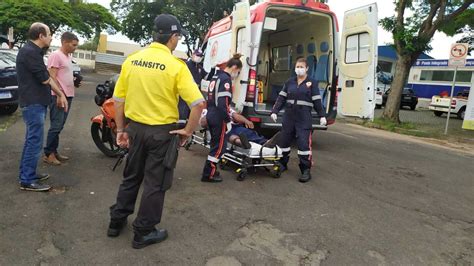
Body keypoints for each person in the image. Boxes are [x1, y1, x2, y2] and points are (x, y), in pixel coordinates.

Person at [108, 14, 205, 249]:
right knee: (155, 183)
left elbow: (118, 99)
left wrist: (121, 129)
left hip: (135, 129)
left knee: (131, 177)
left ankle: (116, 221)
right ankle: (143, 231)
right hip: (162, 134)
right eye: (178, 37)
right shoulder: (176, 66)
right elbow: (198, 104)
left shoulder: (132, 61)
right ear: (173, 37)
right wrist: (188, 131)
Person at [16, 22, 68, 192]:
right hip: (33, 102)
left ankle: (27, 173)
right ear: (41, 36)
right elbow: (45, 79)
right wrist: (60, 94)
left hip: (35, 102)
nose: (51, 37)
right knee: (34, 141)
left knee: (32, 140)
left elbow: (45, 76)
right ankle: (27, 180)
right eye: (49, 34)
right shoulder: (30, 52)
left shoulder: (33, 52)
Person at [270, 57, 327, 183]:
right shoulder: (290, 82)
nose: (299, 69)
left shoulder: (312, 83)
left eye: (301, 67)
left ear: (307, 68)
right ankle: (282, 164)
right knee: (284, 141)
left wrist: (322, 115)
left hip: (303, 118)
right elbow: (281, 98)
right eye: (297, 66)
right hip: (289, 116)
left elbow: (317, 100)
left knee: (303, 144)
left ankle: (305, 170)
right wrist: (274, 111)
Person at [201, 54, 242, 183]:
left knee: (215, 144)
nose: (237, 75)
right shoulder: (225, 79)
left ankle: (211, 171)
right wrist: (228, 120)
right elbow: (222, 103)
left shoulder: (215, 77)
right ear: (234, 67)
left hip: (211, 114)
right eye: (238, 72)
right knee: (219, 147)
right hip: (219, 117)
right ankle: (209, 173)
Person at [43, 32, 80, 165]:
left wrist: (74, 81)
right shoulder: (56, 56)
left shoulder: (68, 56)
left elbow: (63, 75)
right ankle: (49, 154)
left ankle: (54, 151)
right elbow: (52, 76)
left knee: (60, 125)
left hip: (68, 95)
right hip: (58, 96)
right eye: (73, 45)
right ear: (65, 42)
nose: (75, 47)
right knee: (56, 125)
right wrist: (59, 95)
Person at [178, 49, 207, 125]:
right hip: (185, 92)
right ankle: (178, 132)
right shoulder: (186, 65)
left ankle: (188, 131)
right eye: (197, 55)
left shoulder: (200, 68)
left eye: (200, 56)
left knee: (191, 116)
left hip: (195, 94)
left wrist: (214, 69)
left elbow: (207, 77)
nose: (199, 57)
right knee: (182, 115)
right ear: (193, 55)